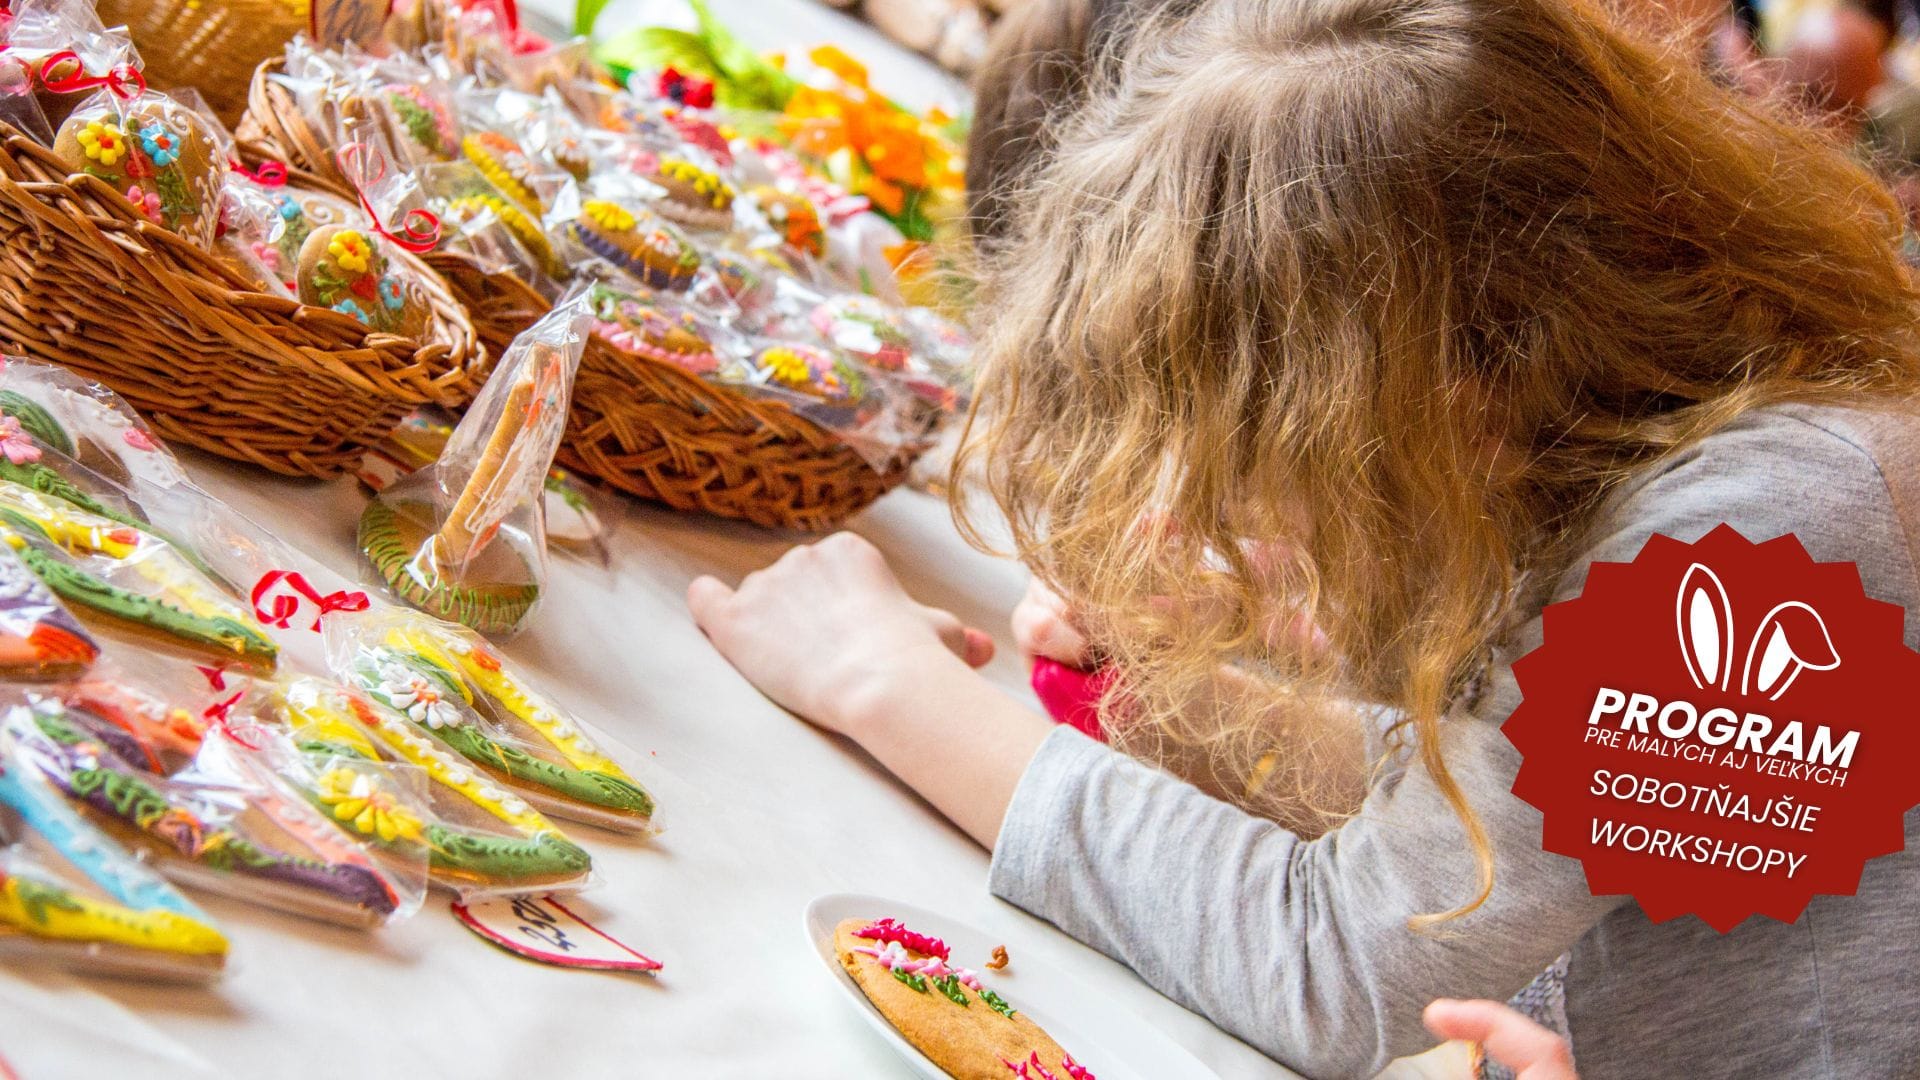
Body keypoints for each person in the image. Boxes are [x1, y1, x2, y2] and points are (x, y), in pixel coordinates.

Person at [688, 0, 1920, 1074]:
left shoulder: (1765, 543)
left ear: (1436, 377)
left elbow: (1341, 961)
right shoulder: (1671, 442)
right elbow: (1502, 796)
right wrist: (1204, 707)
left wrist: (887, 686)